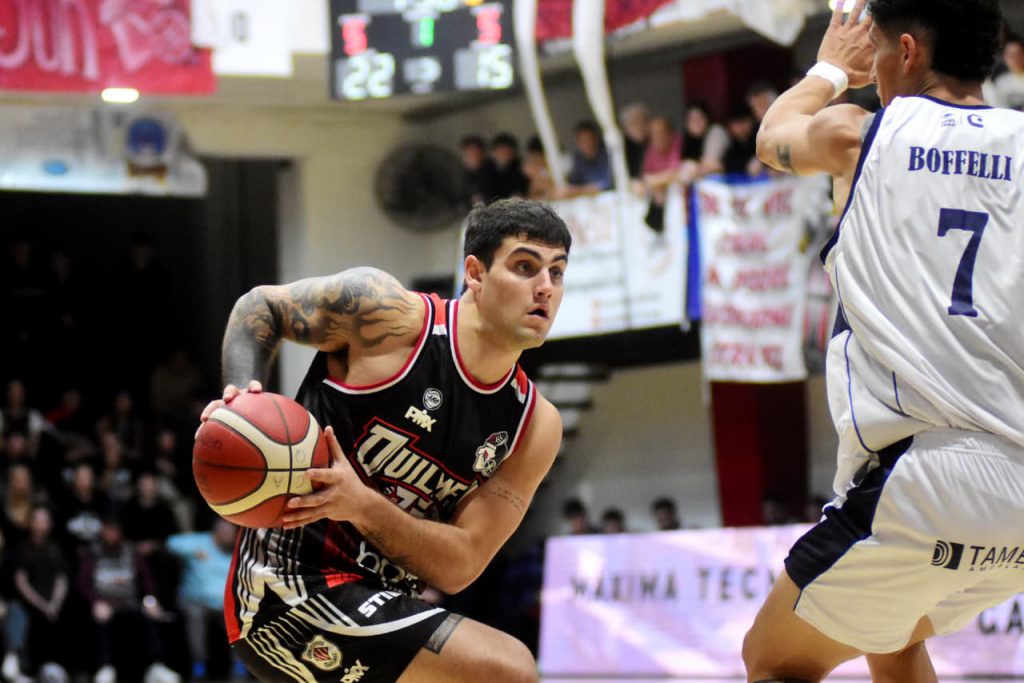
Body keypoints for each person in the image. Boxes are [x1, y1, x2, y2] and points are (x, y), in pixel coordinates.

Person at [745, 1, 1019, 681]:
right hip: (1019, 492)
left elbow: (772, 134)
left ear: (905, 49)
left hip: (926, 476)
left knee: (773, 659)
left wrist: (831, 68)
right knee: (889, 637)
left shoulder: (861, 132)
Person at [200, 199, 570, 682]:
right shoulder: (386, 315)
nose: (545, 287)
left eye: (558, 273)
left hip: (385, 600)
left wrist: (363, 505)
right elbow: (261, 307)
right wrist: (240, 396)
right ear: (475, 274)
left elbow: (459, 565)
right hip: (287, 588)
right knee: (508, 670)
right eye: (525, 267)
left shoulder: (534, 424)